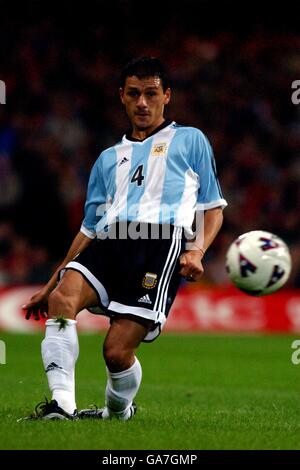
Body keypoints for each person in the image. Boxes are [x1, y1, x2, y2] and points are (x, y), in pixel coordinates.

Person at [22, 56, 227, 421]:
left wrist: (196, 250)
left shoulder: (190, 139)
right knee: (62, 299)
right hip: (110, 240)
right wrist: (51, 281)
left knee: (116, 353)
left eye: (151, 93)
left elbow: (213, 207)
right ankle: (61, 406)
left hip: (158, 244)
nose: (142, 103)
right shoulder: (107, 159)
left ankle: (117, 412)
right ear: (122, 96)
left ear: (167, 96)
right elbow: (88, 228)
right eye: (134, 94)